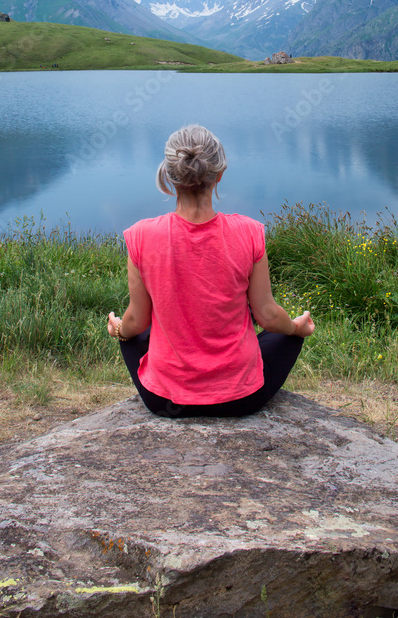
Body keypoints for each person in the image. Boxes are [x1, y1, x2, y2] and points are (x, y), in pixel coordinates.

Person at [107, 124, 314, 417]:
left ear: (169, 174)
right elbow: (267, 316)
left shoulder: (141, 236)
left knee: (131, 335)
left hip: (164, 400)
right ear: (219, 174)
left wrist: (118, 328)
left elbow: (137, 321)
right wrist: (296, 328)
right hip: (240, 399)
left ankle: (173, 382)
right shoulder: (249, 232)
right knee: (287, 335)